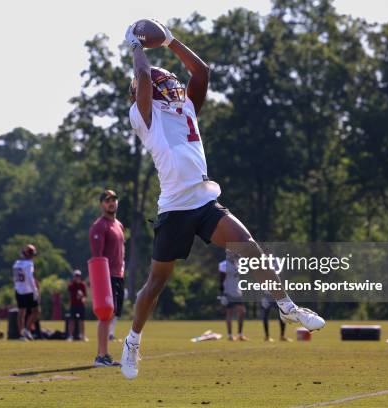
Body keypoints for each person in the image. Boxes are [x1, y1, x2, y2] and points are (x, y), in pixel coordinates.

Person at [120, 21, 325, 379]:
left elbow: (202, 71)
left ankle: (287, 306)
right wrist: (136, 46)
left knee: (249, 246)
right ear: (145, 89)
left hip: (203, 201)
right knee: (155, 285)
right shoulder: (142, 115)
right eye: (159, 80)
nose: (169, 83)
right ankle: (133, 342)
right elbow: (141, 73)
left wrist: (169, 41)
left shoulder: (184, 110)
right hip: (174, 208)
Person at [89, 189, 125, 367]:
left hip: (118, 275)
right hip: (106, 276)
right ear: (101, 204)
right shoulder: (100, 226)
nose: (111, 203)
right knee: (105, 316)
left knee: (111, 316)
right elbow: (97, 257)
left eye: (114, 199)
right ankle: (101, 357)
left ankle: (103, 354)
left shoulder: (118, 224)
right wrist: (100, 282)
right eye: (107, 200)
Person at [12, 244, 40, 341]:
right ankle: (26, 330)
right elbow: (30, 278)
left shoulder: (16, 263)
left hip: (19, 290)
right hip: (28, 290)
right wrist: (35, 289)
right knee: (36, 311)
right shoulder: (29, 264)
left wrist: (16, 288)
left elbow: (15, 278)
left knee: (21, 312)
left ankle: (22, 333)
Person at [219, 257, 247, 341]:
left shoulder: (237, 263)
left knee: (242, 312)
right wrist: (222, 294)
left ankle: (240, 334)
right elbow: (221, 280)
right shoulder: (223, 264)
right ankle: (230, 335)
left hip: (237, 292)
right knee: (229, 313)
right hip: (228, 292)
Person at [67, 269, 88, 341]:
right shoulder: (71, 284)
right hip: (73, 305)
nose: (77, 277)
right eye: (76, 276)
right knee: (72, 320)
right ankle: (70, 336)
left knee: (81, 321)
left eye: (78, 276)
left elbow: (85, 295)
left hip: (80, 305)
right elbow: (69, 289)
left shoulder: (83, 285)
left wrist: (83, 298)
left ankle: (82, 336)